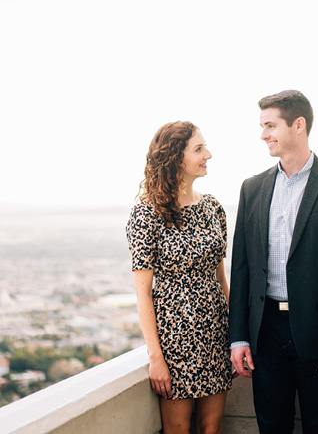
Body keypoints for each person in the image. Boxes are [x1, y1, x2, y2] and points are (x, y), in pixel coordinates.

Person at [228, 90, 318, 434]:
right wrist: (238, 337)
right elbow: (241, 268)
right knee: (271, 427)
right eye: (262, 126)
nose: (263, 135)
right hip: (265, 334)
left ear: (299, 125)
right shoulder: (252, 188)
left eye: (270, 125)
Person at [127, 121, 233, 434]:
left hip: (215, 333)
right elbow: (143, 293)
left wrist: (236, 336)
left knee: (211, 429)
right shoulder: (147, 214)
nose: (208, 155)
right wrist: (156, 358)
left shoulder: (213, 208)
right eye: (199, 149)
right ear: (175, 158)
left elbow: (221, 280)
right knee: (178, 431)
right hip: (174, 338)